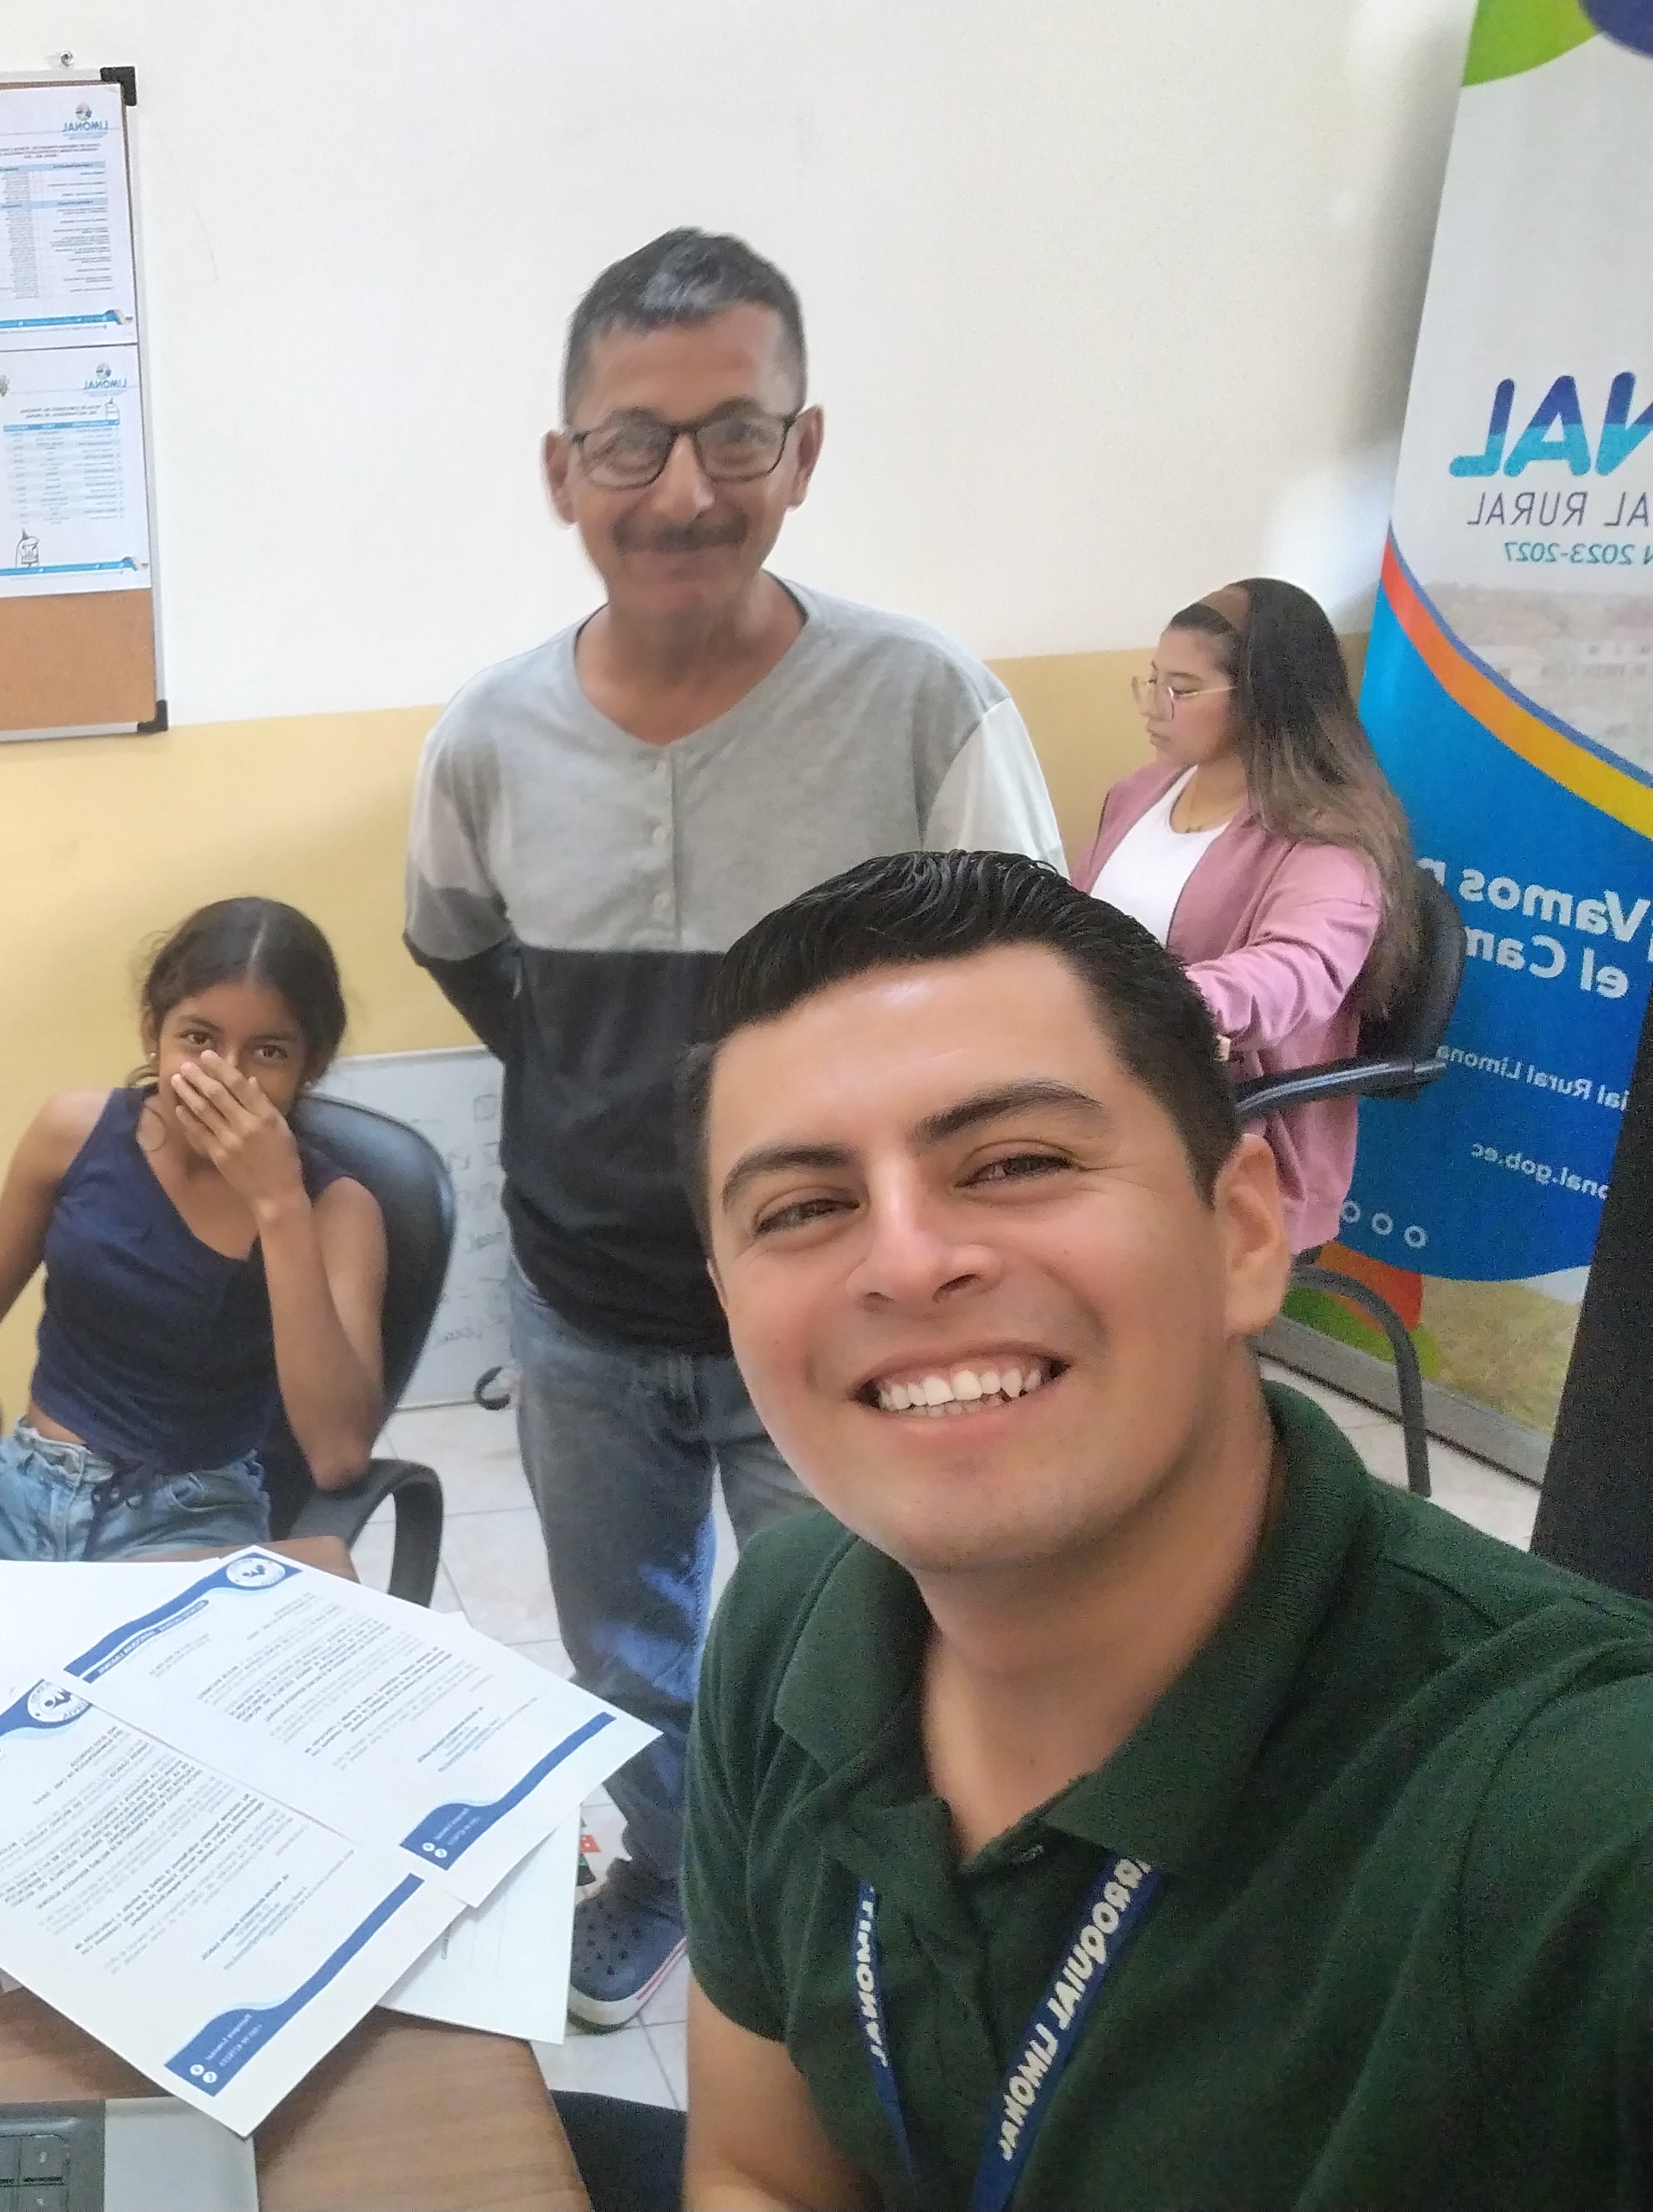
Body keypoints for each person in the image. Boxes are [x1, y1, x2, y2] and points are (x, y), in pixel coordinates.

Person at [663, 851, 1646, 2211]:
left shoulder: (1575, 1822)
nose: (906, 1261)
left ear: (1244, 1231)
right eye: (805, 1210)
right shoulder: (789, 1619)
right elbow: (758, 2171)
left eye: (1016, 1162)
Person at [402, 227, 1064, 2029]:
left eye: (735, 435)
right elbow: (462, 951)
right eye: (632, 442)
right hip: (583, 1304)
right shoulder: (487, 739)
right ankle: (675, 1873)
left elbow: (1032, 999)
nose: (683, 490)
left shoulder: (921, 705)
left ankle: (849, 1930)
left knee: (857, 1654)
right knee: (625, 1659)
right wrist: (620, 1111)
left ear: (804, 447)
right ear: (563, 471)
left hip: (844, 1312)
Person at [0, 898, 386, 1590]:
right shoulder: (72, 1134)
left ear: (310, 1066)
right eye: (198, 1038)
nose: (225, 1076)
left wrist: (278, 1204)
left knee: (115, 1664)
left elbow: (337, 1456)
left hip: (190, 1517)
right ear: (152, 1032)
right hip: (22, 1498)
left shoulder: (336, 1211)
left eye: (268, 1052)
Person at [1077, 575, 1427, 1252]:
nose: (1152, 707)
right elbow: (1073, 921)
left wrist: (1163, 1001)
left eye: (1180, 690)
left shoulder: (1328, 837)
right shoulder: (1140, 792)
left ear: (1265, 694)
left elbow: (1298, 969)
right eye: (1152, 682)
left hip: (1229, 1125)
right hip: (1116, 1081)